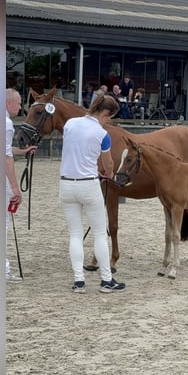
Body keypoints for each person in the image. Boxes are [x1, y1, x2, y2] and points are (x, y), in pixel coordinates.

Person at [59, 95, 126, 293]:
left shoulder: (70, 125)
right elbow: (108, 164)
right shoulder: (102, 133)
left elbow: (74, 152)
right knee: (99, 234)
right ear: (105, 113)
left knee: (75, 234)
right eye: (109, 118)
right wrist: (109, 173)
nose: (109, 122)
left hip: (66, 185)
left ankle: (79, 281)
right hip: (88, 186)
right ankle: (106, 280)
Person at [6, 88, 37, 281]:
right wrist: (15, 188)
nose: (20, 107)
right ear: (8, 103)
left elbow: (7, 149)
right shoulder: (6, 124)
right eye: (18, 103)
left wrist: (23, 151)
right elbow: (5, 157)